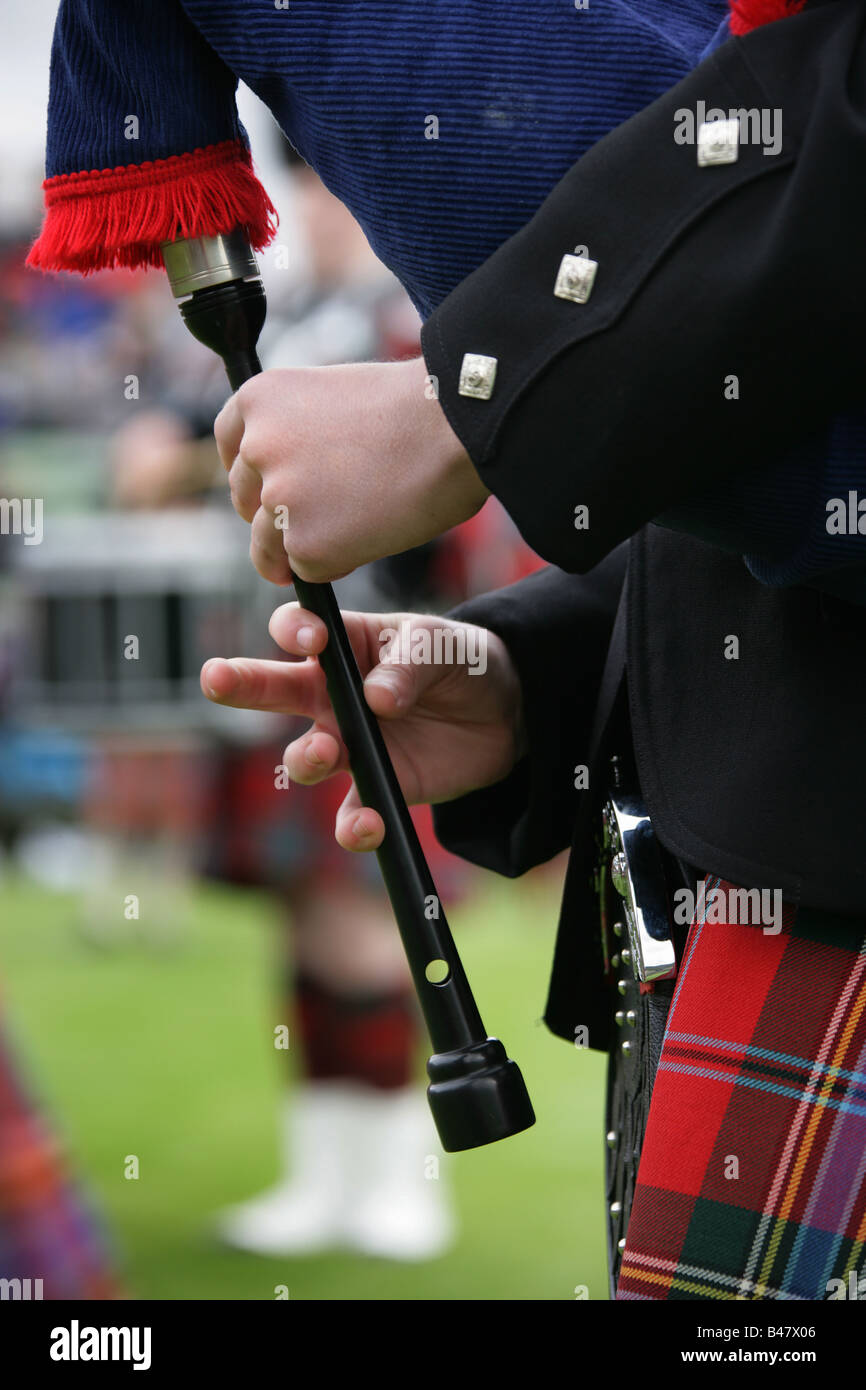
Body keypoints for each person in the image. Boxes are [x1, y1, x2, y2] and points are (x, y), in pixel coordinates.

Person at [27, 0, 866, 1300]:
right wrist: (536, 677)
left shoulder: (376, 318)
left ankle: (387, 1190)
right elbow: (770, 465)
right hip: (758, 865)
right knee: (310, 934)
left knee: (347, 932)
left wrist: (469, 398)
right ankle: (333, 1171)